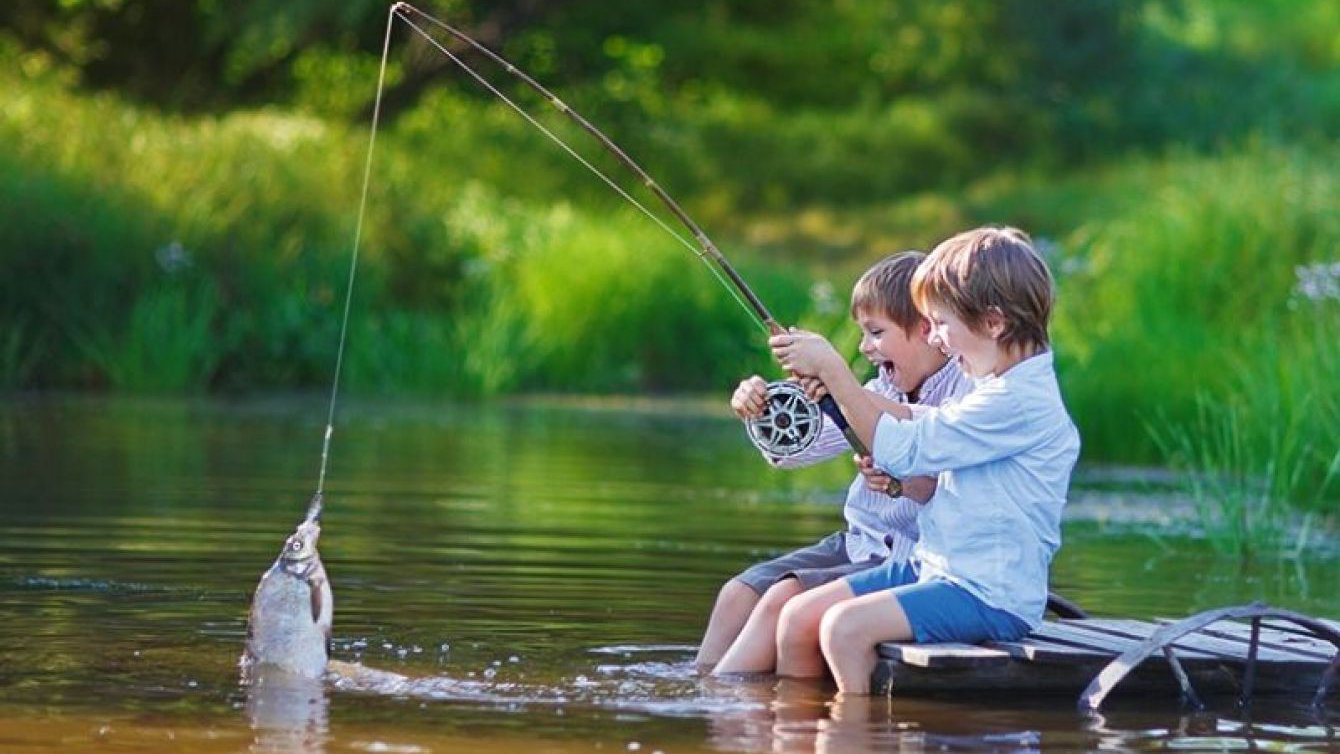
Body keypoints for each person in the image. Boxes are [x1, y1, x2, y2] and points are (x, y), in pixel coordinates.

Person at [770, 225, 1080, 694]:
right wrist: (842, 392)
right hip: (934, 566)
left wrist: (835, 372)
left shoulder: (1019, 400)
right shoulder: (994, 385)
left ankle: (853, 736)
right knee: (798, 615)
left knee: (844, 629)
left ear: (993, 323)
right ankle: (797, 731)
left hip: (986, 593)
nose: (936, 338)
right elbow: (920, 420)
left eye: (940, 323)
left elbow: (904, 447)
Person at [697, 250, 971, 674]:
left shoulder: (965, 390)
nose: (865, 346)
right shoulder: (881, 386)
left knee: (780, 600)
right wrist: (764, 408)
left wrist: (839, 382)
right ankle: (702, 690)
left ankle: (727, 708)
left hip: (910, 560)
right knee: (738, 593)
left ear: (924, 329)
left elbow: (929, 431)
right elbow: (794, 453)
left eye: (876, 332)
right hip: (857, 544)